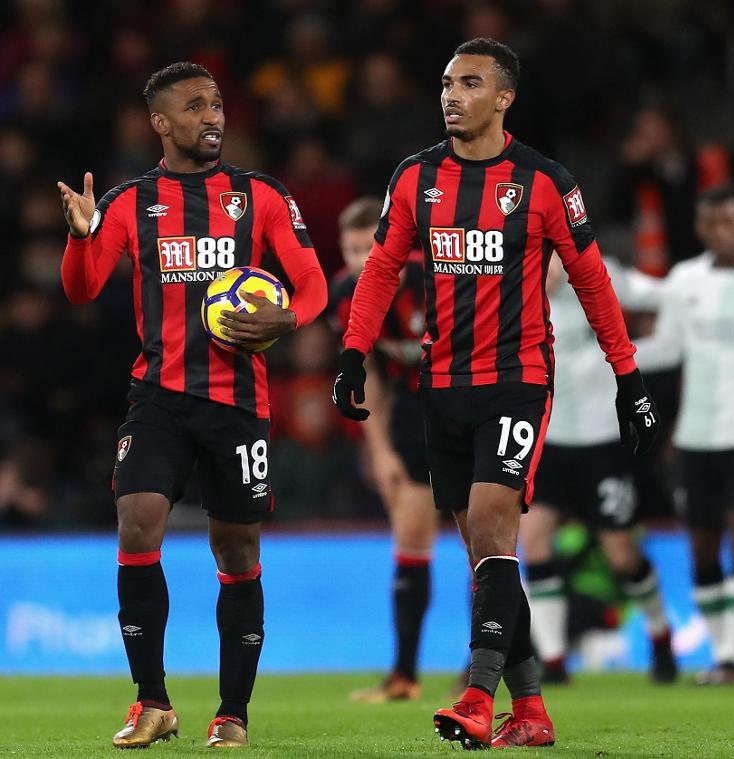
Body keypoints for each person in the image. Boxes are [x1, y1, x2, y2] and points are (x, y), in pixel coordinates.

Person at [332, 38, 660, 750]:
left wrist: (626, 375)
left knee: (491, 525)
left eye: (470, 83)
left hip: (517, 381)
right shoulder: (415, 177)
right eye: (447, 82)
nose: (452, 95)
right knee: (485, 553)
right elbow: (382, 268)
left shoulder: (544, 182)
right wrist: (354, 354)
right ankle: (533, 710)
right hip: (438, 386)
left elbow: (593, 281)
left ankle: (478, 698)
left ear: (504, 97)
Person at [57, 62, 328, 748]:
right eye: (195, 106)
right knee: (137, 522)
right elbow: (83, 290)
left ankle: (231, 711)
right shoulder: (130, 202)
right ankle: (152, 700)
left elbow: (313, 283)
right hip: (159, 395)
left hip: (237, 402)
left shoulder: (258, 195)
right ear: (160, 123)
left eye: (216, 105)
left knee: (236, 547)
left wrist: (289, 321)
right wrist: (81, 236)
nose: (213, 116)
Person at [634, 186, 734, 685]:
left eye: (731, 221)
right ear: (700, 229)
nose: (722, 232)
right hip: (697, 434)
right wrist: (605, 350)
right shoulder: (685, 280)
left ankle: (731, 656)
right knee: (702, 544)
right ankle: (722, 651)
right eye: (711, 224)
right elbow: (667, 348)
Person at [521, 252, 676, 686]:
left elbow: (664, 295)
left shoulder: (594, 273)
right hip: (545, 440)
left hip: (601, 442)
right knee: (534, 541)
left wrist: (658, 342)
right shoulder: (511, 286)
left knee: (621, 554)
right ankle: (552, 661)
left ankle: (661, 636)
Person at [329, 197, 440, 703]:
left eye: (365, 247)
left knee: (486, 539)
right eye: (349, 250)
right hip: (413, 417)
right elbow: (367, 371)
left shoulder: (435, 275)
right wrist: (380, 451)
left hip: (467, 406)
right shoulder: (345, 296)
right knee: (412, 535)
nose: (358, 261)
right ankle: (405, 675)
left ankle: (485, 665)